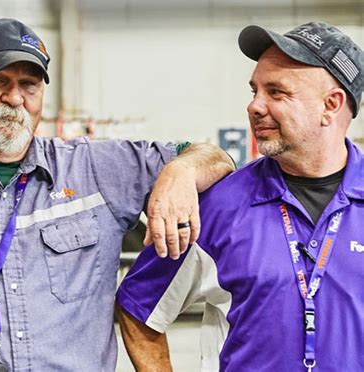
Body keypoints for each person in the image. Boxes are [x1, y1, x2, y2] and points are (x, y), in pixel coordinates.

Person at [0, 18, 234, 371]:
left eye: (29, 84)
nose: (14, 98)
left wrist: (181, 171)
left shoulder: (97, 170)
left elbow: (215, 157)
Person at [116, 21, 363, 372]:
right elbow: (137, 305)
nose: (255, 107)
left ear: (331, 105)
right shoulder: (219, 207)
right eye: (254, 91)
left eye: (277, 92)